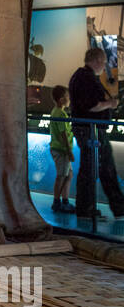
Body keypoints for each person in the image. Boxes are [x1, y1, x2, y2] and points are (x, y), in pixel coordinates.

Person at [68, 48, 124, 220]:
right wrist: (110, 104)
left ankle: (100, 208)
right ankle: (89, 210)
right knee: (97, 169)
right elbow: (91, 105)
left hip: (90, 130)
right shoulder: (86, 79)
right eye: (104, 61)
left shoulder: (81, 76)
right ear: (97, 60)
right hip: (91, 130)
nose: (105, 65)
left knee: (95, 168)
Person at [48, 86, 75, 213]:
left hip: (60, 149)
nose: (69, 99)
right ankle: (57, 202)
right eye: (68, 97)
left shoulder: (56, 111)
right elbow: (63, 133)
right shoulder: (60, 113)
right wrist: (69, 151)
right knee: (62, 176)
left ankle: (64, 201)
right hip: (62, 150)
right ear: (61, 99)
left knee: (68, 175)